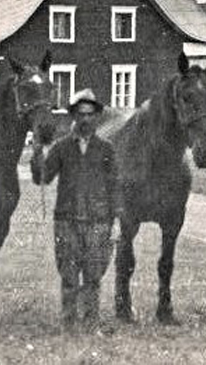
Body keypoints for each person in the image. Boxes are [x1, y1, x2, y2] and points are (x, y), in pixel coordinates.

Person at [31, 88, 121, 332]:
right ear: (73, 116)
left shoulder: (106, 149)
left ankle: (91, 323)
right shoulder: (62, 148)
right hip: (67, 221)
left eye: (90, 114)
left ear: (96, 117)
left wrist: (116, 223)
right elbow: (43, 177)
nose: (85, 119)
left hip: (98, 221)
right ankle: (69, 324)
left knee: (93, 275)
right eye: (80, 114)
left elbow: (115, 187)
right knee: (68, 276)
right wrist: (37, 151)